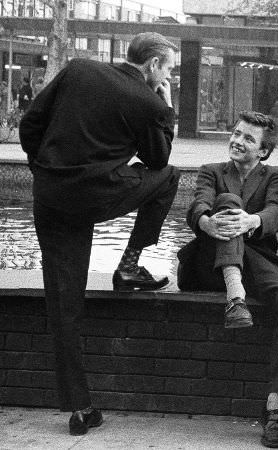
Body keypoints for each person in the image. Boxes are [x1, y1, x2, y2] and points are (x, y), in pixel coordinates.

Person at [19, 32, 179, 436]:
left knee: (63, 302)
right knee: (170, 178)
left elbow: (30, 124)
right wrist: (166, 107)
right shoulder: (149, 102)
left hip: (51, 195)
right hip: (98, 195)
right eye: (169, 69)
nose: (169, 76)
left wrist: (43, 168)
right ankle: (129, 265)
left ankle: (80, 409)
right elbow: (158, 160)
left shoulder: (77, 69)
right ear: (154, 66)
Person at [177, 111, 278, 448]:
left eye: (248, 138)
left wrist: (251, 222)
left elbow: (277, 212)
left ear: (263, 151)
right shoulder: (211, 171)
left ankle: (275, 407)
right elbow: (199, 203)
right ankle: (235, 295)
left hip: (256, 261)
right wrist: (206, 223)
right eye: (236, 133)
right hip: (208, 265)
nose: (237, 140)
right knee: (226, 201)